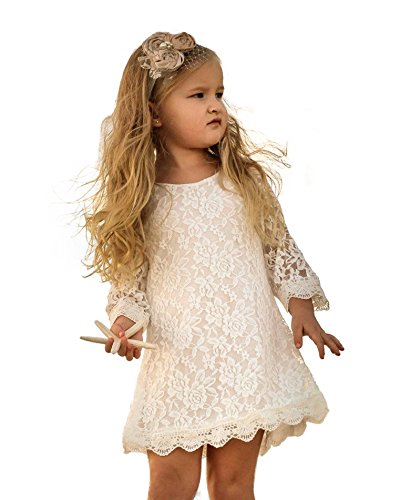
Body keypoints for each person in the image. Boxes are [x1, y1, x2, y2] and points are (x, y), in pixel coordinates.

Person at [80, 31, 345, 500]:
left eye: (219, 93)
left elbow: (278, 249)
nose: (215, 106)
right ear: (154, 113)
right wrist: (124, 323)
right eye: (198, 95)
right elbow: (130, 281)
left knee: (233, 484)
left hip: (246, 354)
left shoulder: (242, 181)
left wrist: (301, 307)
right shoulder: (142, 197)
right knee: (169, 483)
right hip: (179, 359)